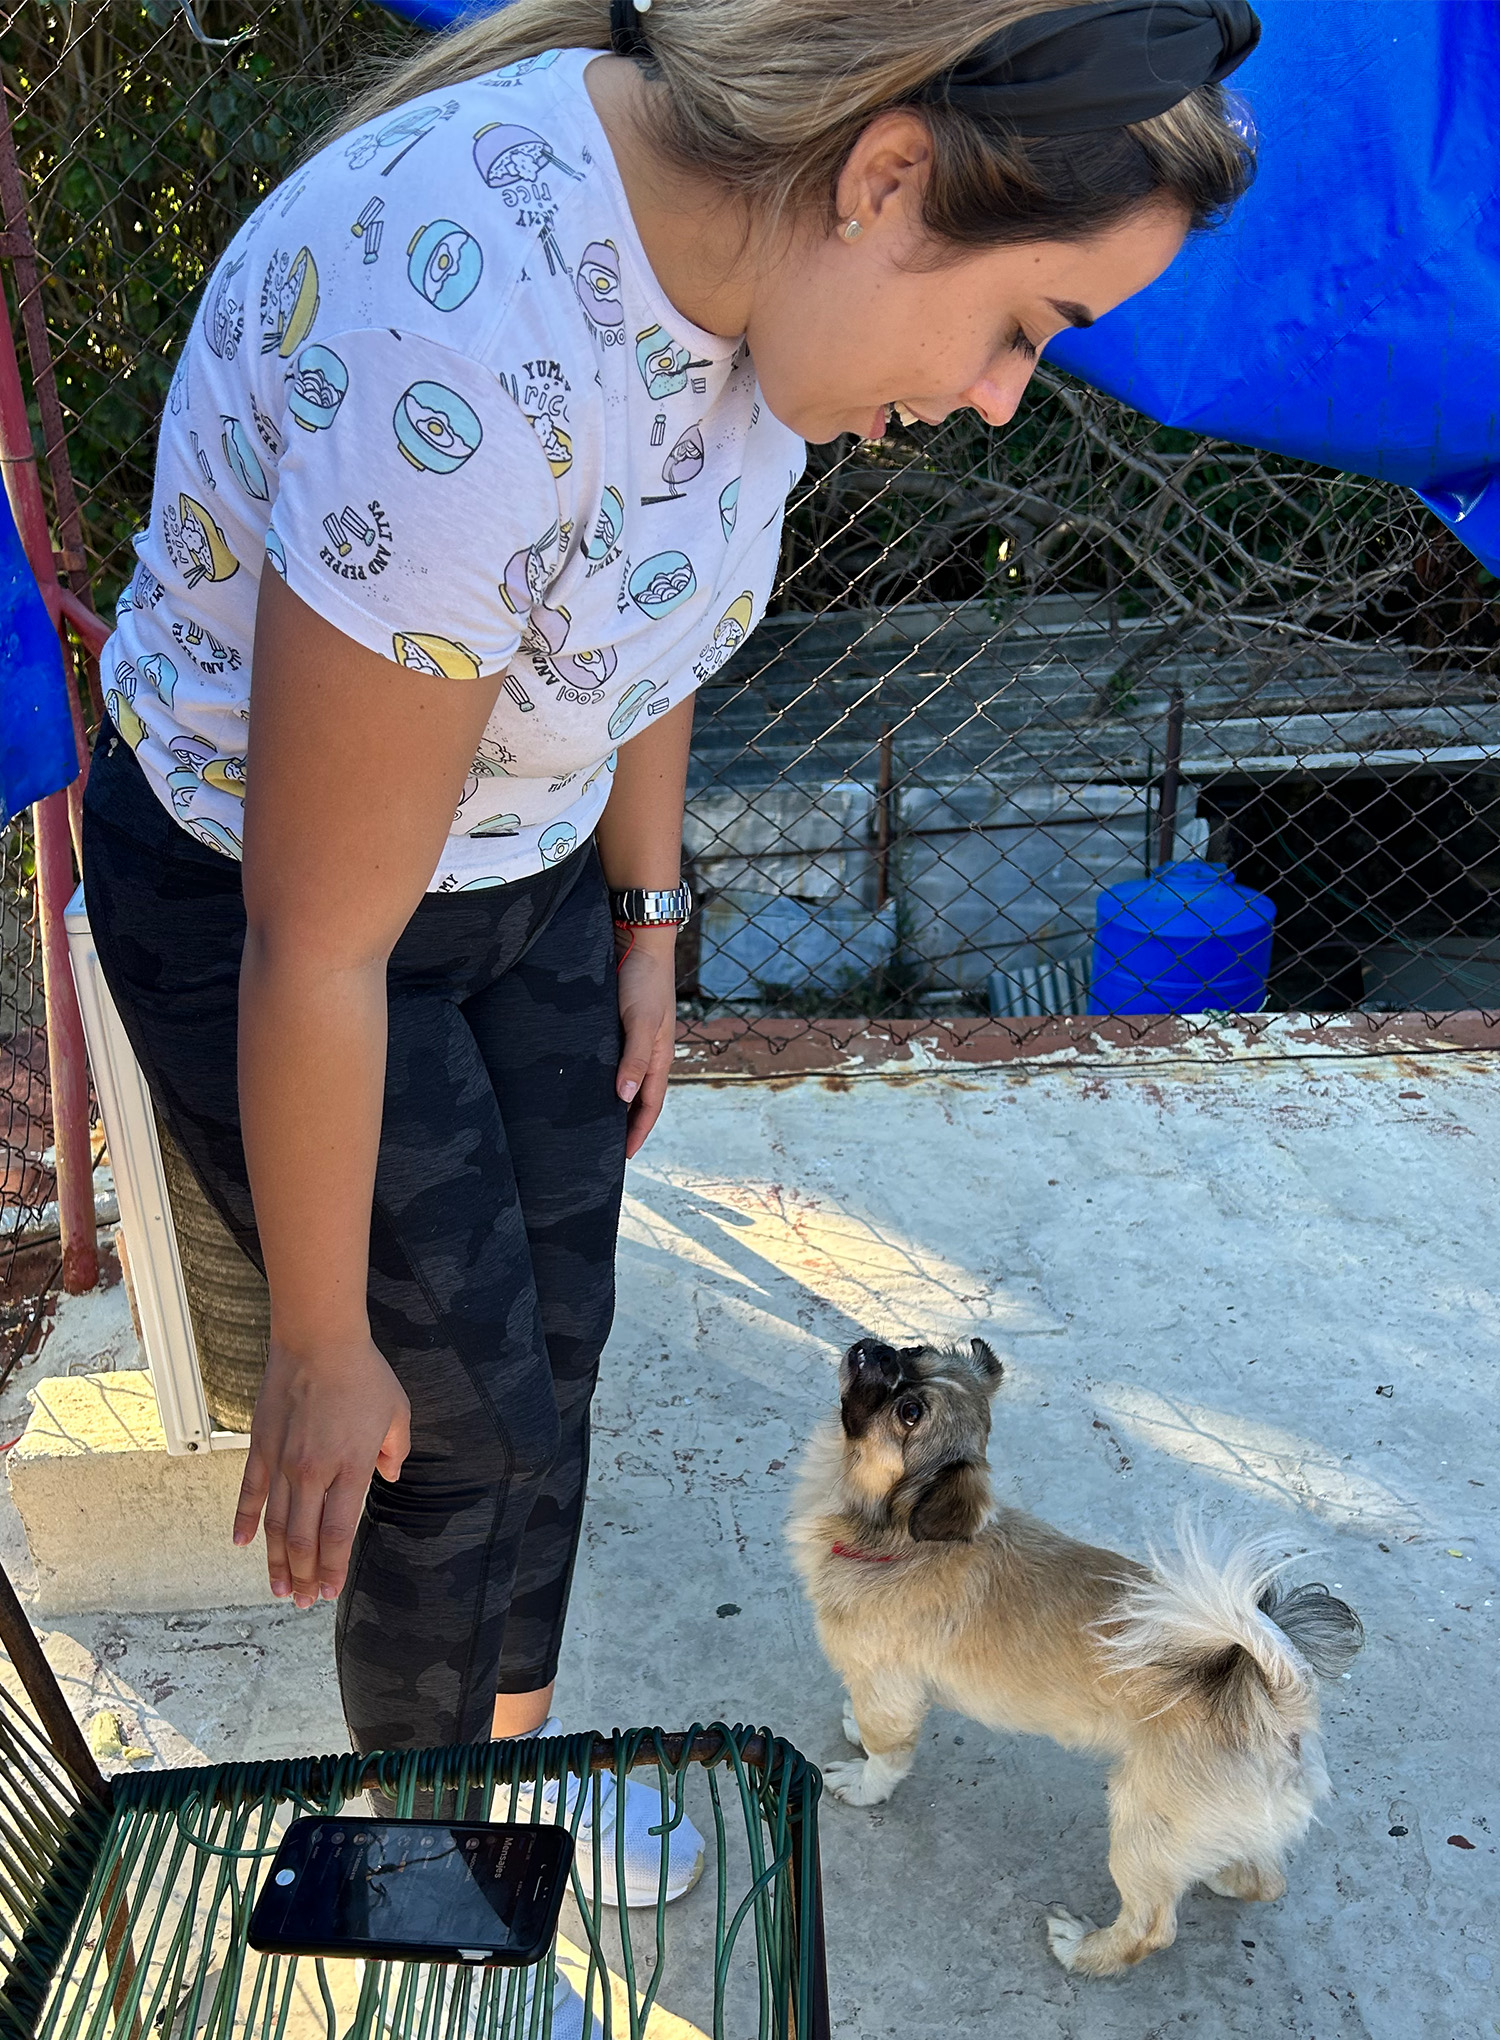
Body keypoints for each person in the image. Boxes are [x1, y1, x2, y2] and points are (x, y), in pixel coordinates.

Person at [83, 0, 1257, 1905]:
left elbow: (657, 622)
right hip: (278, 913)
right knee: (441, 1435)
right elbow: (320, 936)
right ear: (887, 177)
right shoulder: (463, 339)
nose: (999, 396)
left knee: (555, 1366)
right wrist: (310, 1339)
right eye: (1029, 325)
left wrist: (646, 916)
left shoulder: (764, 285)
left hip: (523, 871)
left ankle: (502, 1782)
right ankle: (431, 1874)